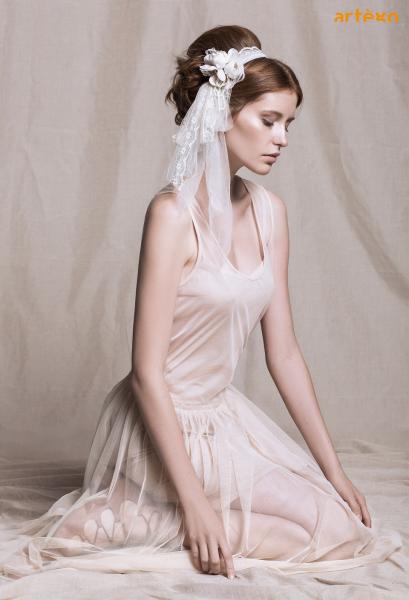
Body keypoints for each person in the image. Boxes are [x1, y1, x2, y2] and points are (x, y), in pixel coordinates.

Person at [0, 25, 401, 582]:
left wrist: (333, 470)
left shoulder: (272, 213)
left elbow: (284, 353)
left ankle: (145, 518)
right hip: (157, 424)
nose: (282, 138)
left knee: (341, 529)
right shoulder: (171, 215)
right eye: (269, 120)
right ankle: (127, 519)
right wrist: (194, 504)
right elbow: (146, 374)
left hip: (221, 419)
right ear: (221, 113)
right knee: (317, 535)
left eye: (288, 124)